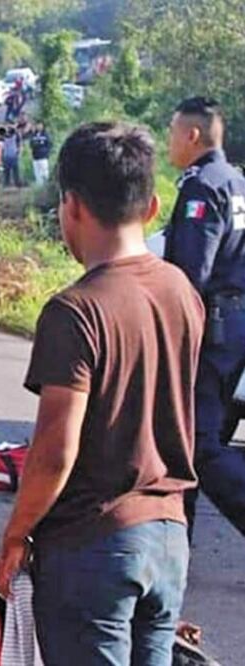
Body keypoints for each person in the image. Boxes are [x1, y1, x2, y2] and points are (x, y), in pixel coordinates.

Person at [0, 122, 203, 665]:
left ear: (72, 206)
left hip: (96, 547)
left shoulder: (75, 310)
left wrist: (16, 535)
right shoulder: (182, 291)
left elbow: (55, 451)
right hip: (168, 539)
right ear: (153, 206)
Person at [162, 97, 245, 537]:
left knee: (197, 445)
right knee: (186, 440)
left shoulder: (202, 185)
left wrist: (173, 334)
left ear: (192, 135)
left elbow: (193, 272)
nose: (169, 141)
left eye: (173, 131)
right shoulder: (236, 180)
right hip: (234, 323)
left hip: (209, 326)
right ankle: (175, 536)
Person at [28, 122, 52, 187]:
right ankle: (39, 187)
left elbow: (49, 144)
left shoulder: (46, 135)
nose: (39, 126)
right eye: (37, 125)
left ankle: (46, 186)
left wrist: (47, 152)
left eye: (40, 125)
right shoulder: (33, 135)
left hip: (43, 157)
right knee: (37, 174)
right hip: (35, 157)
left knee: (45, 173)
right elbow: (31, 145)